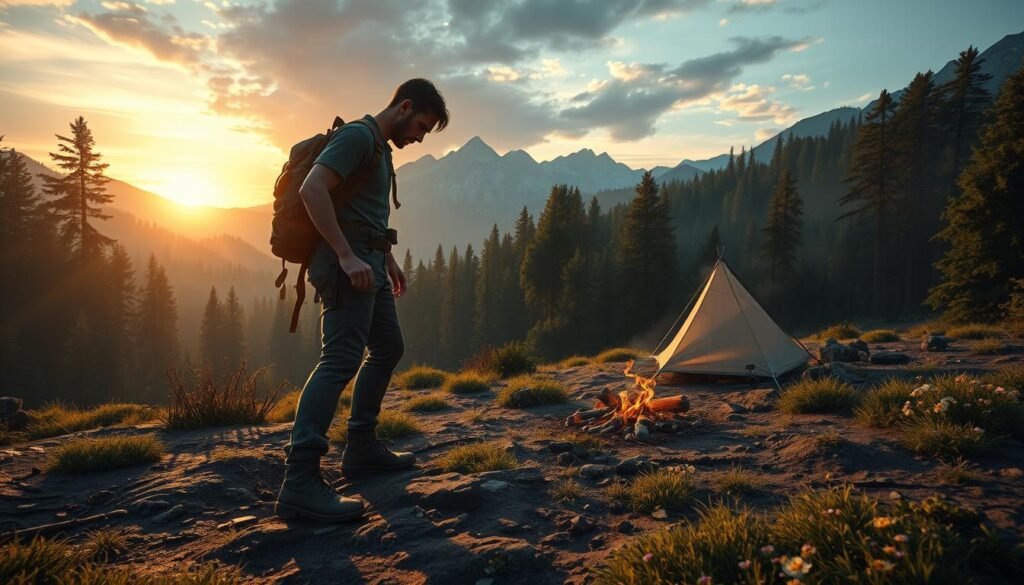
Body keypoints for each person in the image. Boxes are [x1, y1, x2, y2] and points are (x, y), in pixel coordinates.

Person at [275, 79, 450, 522]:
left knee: (388, 346)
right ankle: (299, 482)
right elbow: (312, 189)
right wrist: (346, 254)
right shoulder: (358, 136)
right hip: (345, 268)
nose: (418, 137)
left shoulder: (380, 148)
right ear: (405, 106)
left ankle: (361, 447)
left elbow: (362, 209)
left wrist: (385, 258)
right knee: (339, 361)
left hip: (368, 264)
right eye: (421, 127)